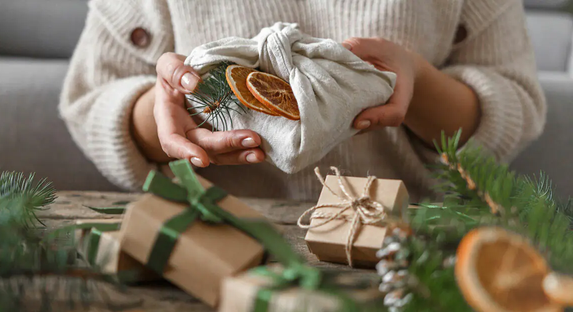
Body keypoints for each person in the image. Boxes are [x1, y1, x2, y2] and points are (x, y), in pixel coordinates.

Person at [59, 0, 546, 202]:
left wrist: (418, 80)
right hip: (218, 243)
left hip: (408, 254)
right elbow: (93, 98)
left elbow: (514, 99)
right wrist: (165, 112)